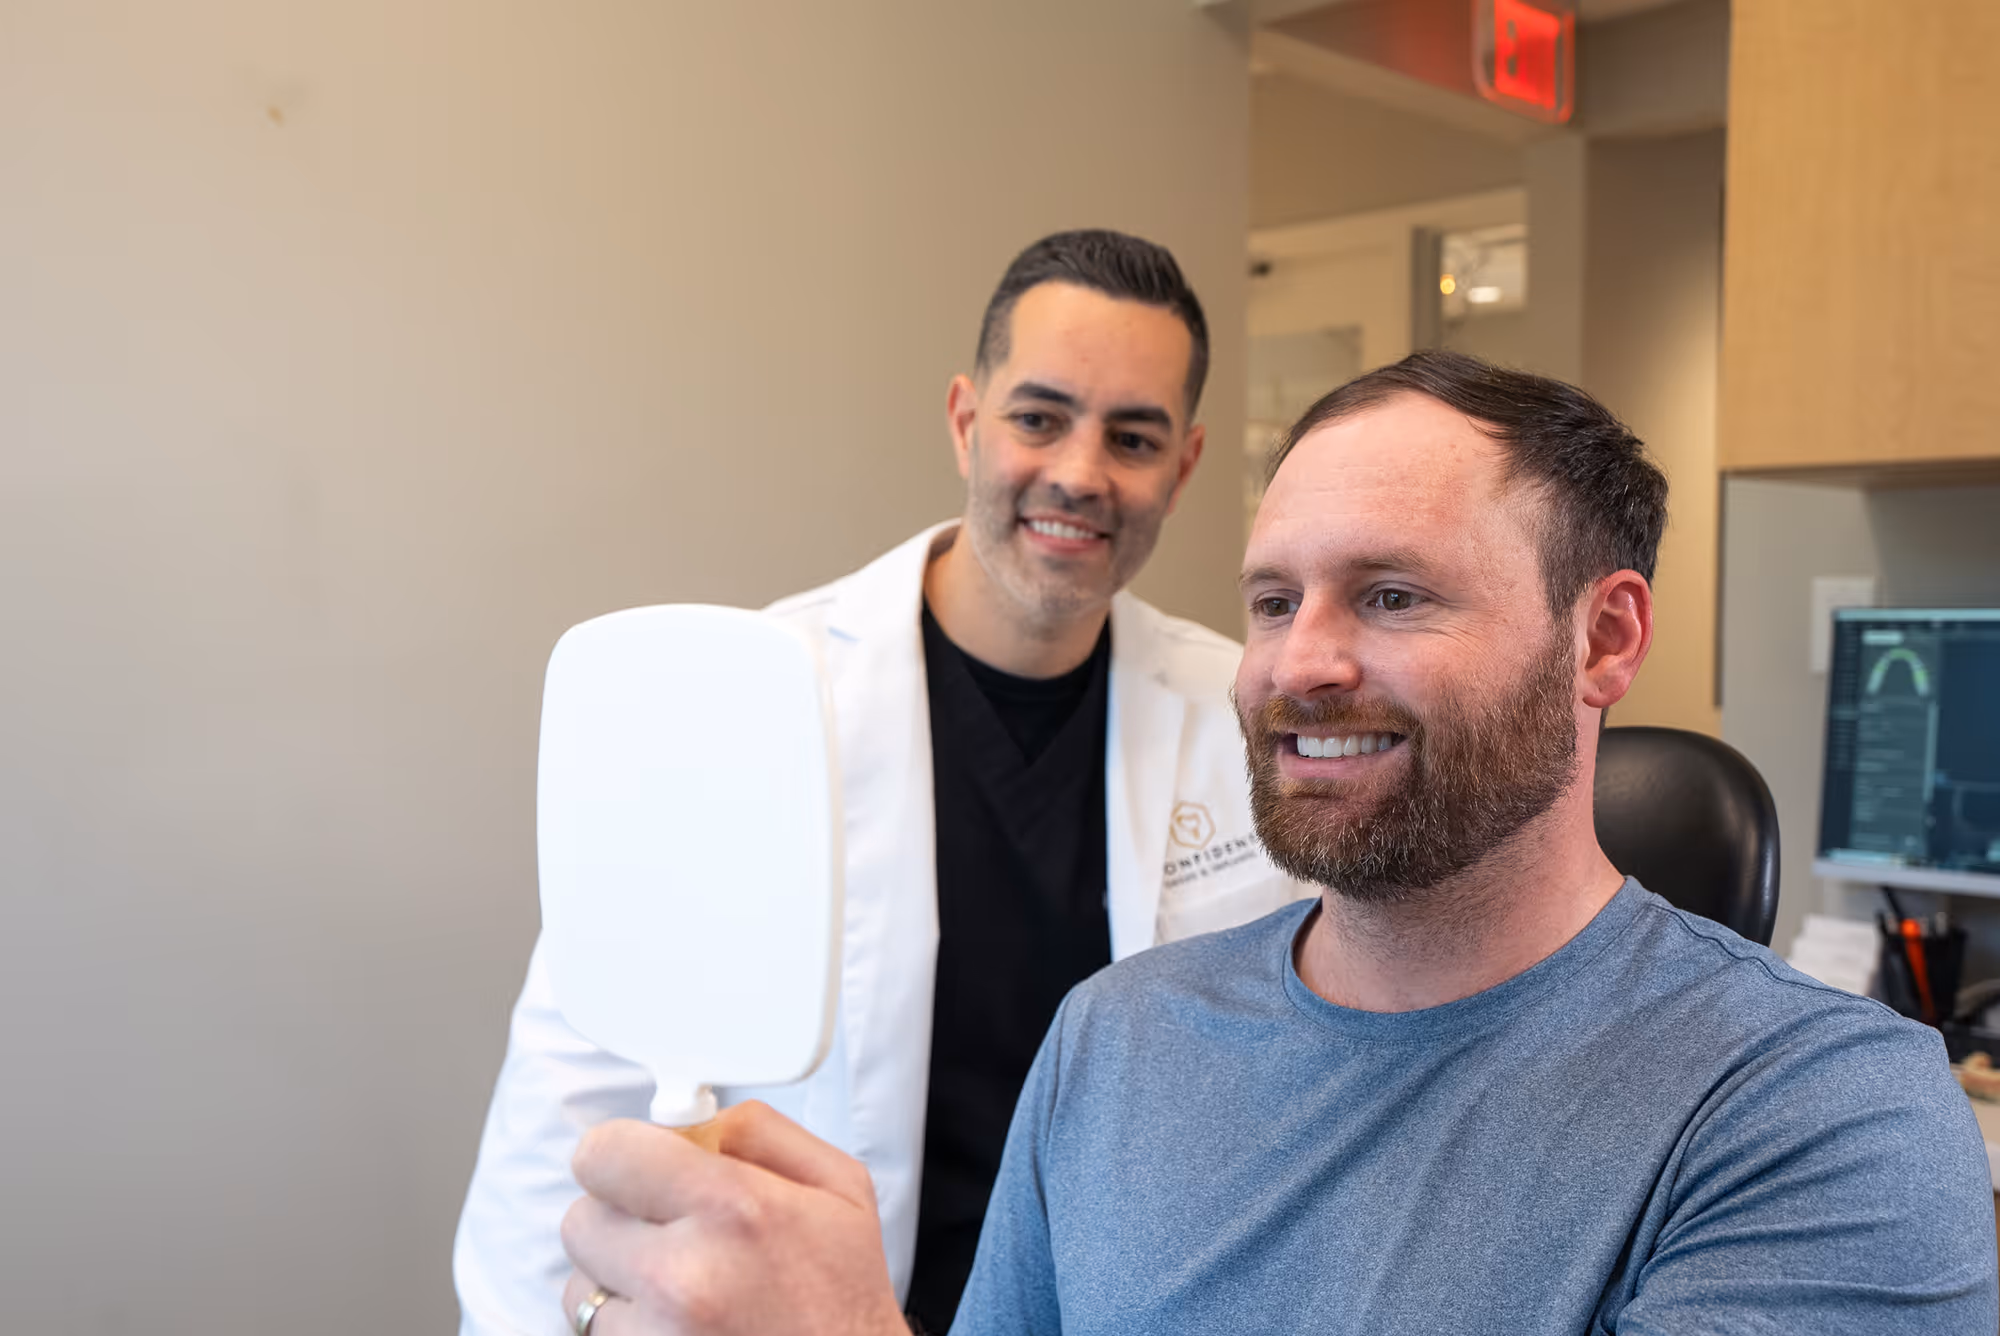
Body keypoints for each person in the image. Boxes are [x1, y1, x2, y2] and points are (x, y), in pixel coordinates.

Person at [551, 350, 1999, 1335]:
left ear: (1603, 638)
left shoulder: (1818, 1115)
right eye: (1269, 602)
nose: (1296, 664)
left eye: (1392, 596)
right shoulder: (1115, 1039)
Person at [453, 230, 1307, 1335]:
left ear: (1183, 467)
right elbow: (561, 1123)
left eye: (1131, 437)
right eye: (1038, 418)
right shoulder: (744, 700)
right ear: (964, 420)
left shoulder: (1247, 718)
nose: (1079, 472)